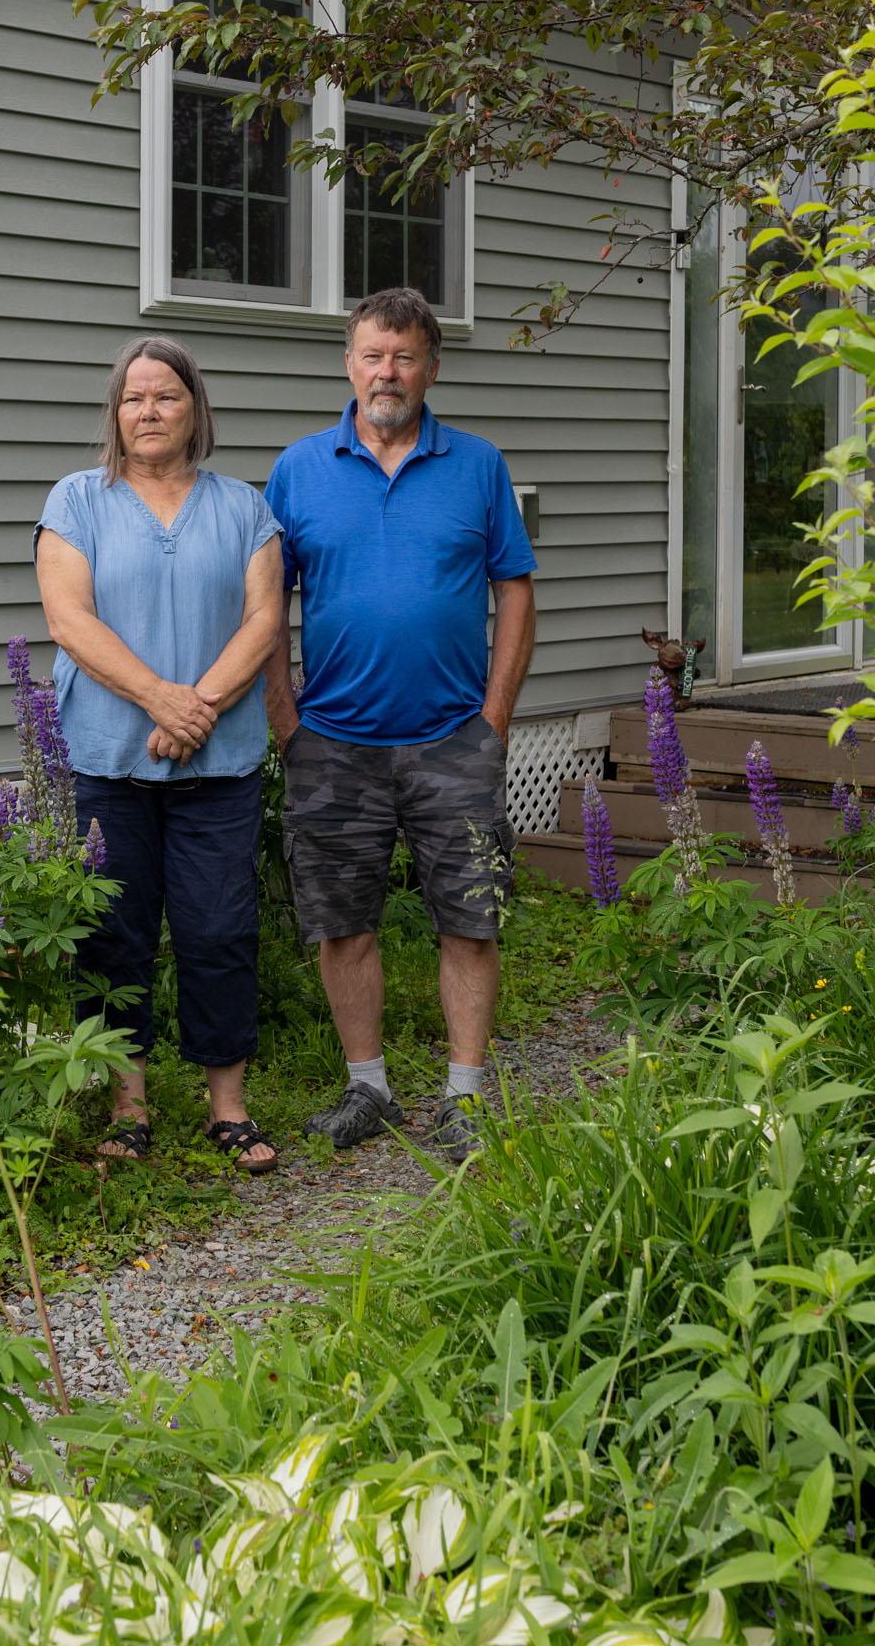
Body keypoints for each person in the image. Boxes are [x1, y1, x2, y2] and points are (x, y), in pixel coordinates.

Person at [266, 286, 537, 1160]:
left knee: (470, 917)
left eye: (405, 356)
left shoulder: (478, 466)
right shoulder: (300, 468)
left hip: (454, 736)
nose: (388, 371)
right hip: (333, 740)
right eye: (373, 355)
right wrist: (285, 719)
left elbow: (515, 590)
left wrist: (495, 717)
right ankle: (367, 1087)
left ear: (431, 366)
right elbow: (267, 601)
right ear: (349, 364)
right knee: (343, 921)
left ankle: (465, 1097)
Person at [35, 336, 286, 1174]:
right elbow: (70, 619)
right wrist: (161, 698)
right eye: (133, 398)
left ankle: (229, 1109)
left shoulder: (244, 507)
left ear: (194, 409)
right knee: (115, 936)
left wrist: (197, 707)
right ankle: (129, 1109)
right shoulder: (76, 501)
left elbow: (263, 623)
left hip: (218, 763)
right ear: (116, 413)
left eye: (166, 396)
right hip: (109, 759)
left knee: (220, 930)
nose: (147, 411)